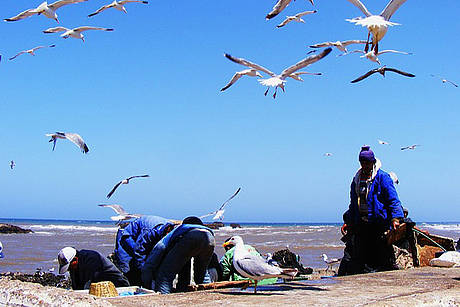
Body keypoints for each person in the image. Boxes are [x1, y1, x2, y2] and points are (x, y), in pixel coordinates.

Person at [338, 145, 404, 276]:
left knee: (381, 258)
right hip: (361, 223)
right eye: (362, 162)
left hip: (378, 223)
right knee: (358, 258)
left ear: (373, 161)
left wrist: (396, 219)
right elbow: (353, 204)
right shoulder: (356, 180)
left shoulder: (382, 178)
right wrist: (349, 221)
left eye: (367, 162)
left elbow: (393, 200)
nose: (365, 165)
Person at [141, 216, 215, 294]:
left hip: (191, 237)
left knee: (165, 275)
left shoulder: (179, 230)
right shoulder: (204, 229)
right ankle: (207, 294)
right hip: (210, 238)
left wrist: (146, 280)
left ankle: (163, 298)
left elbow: (159, 249)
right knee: (202, 273)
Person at [116, 215, 169, 285]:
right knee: (126, 268)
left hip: (141, 237)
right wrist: (144, 269)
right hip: (127, 237)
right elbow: (139, 252)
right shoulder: (149, 231)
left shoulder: (169, 229)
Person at [58, 247, 130, 290]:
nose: (69, 269)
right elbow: (76, 283)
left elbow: (89, 282)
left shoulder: (91, 258)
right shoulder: (75, 264)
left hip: (116, 283)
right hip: (98, 282)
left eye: (69, 267)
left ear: (75, 260)